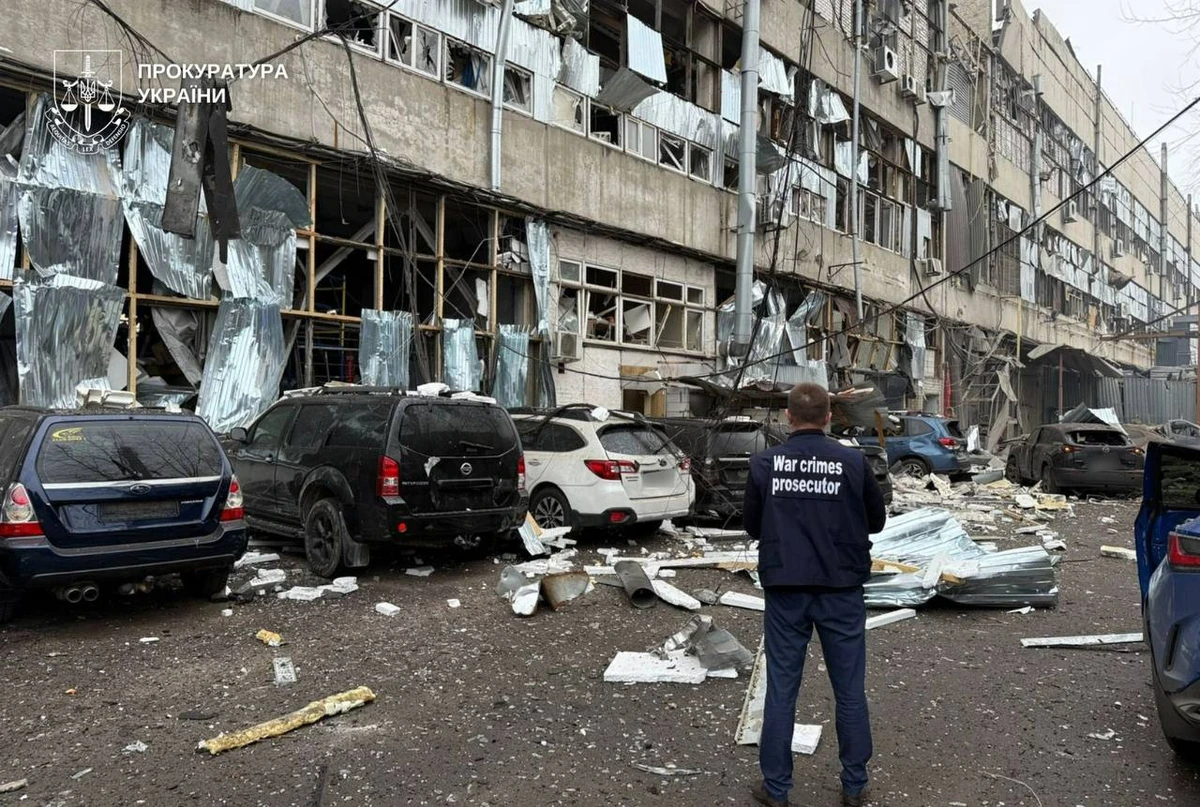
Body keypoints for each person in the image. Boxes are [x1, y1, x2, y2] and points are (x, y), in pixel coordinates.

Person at [742, 383, 888, 807]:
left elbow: (752, 525)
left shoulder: (764, 464)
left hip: (785, 587)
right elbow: (876, 521)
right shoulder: (853, 462)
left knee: (782, 690)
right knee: (849, 690)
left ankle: (776, 789)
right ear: (828, 417)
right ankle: (854, 786)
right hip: (841, 588)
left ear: (788, 417)